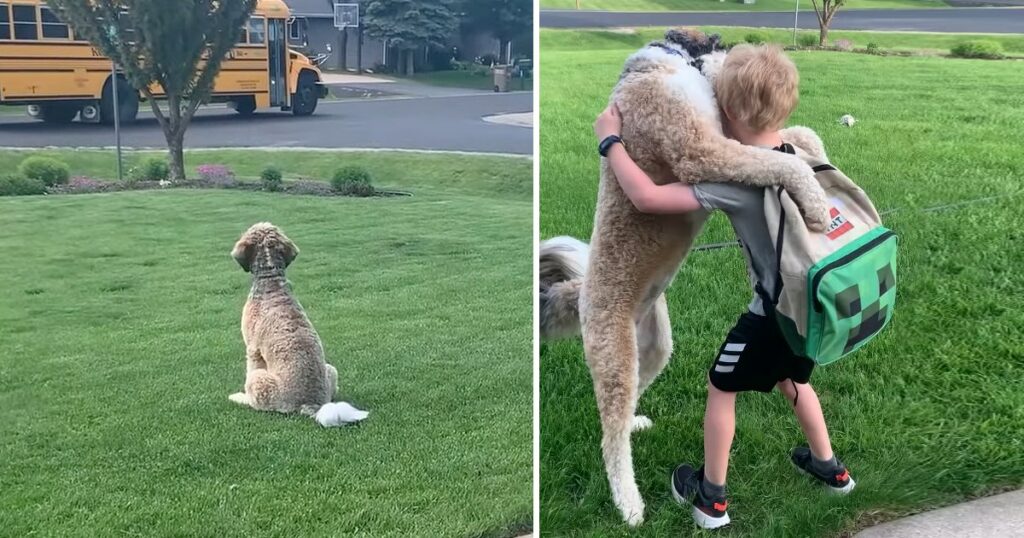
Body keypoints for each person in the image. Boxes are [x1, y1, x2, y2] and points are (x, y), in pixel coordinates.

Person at [591, 44, 854, 530]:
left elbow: (646, 198)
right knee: (794, 379)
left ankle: (711, 498)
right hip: (809, 310)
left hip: (769, 314)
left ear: (724, 111)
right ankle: (832, 470)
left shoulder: (734, 178)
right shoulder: (798, 151)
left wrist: (611, 142)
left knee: (721, 387)